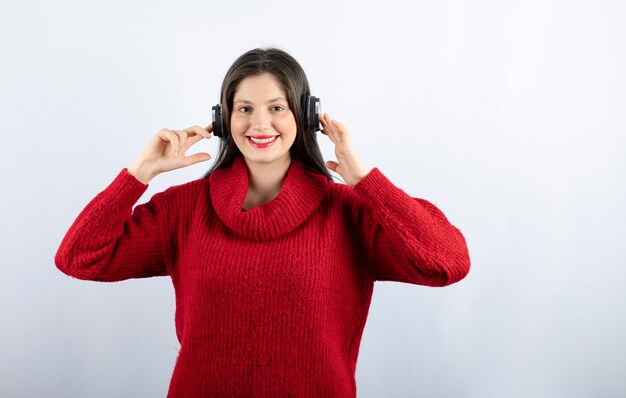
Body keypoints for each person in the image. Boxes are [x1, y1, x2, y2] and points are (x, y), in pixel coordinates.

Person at [55, 47, 471, 398]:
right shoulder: (183, 210)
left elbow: (447, 263)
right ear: (223, 120)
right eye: (244, 109)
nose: (259, 124)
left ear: (307, 117)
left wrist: (366, 181)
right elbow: (79, 258)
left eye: (277, 108)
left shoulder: (349, 213)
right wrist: (141, 171)